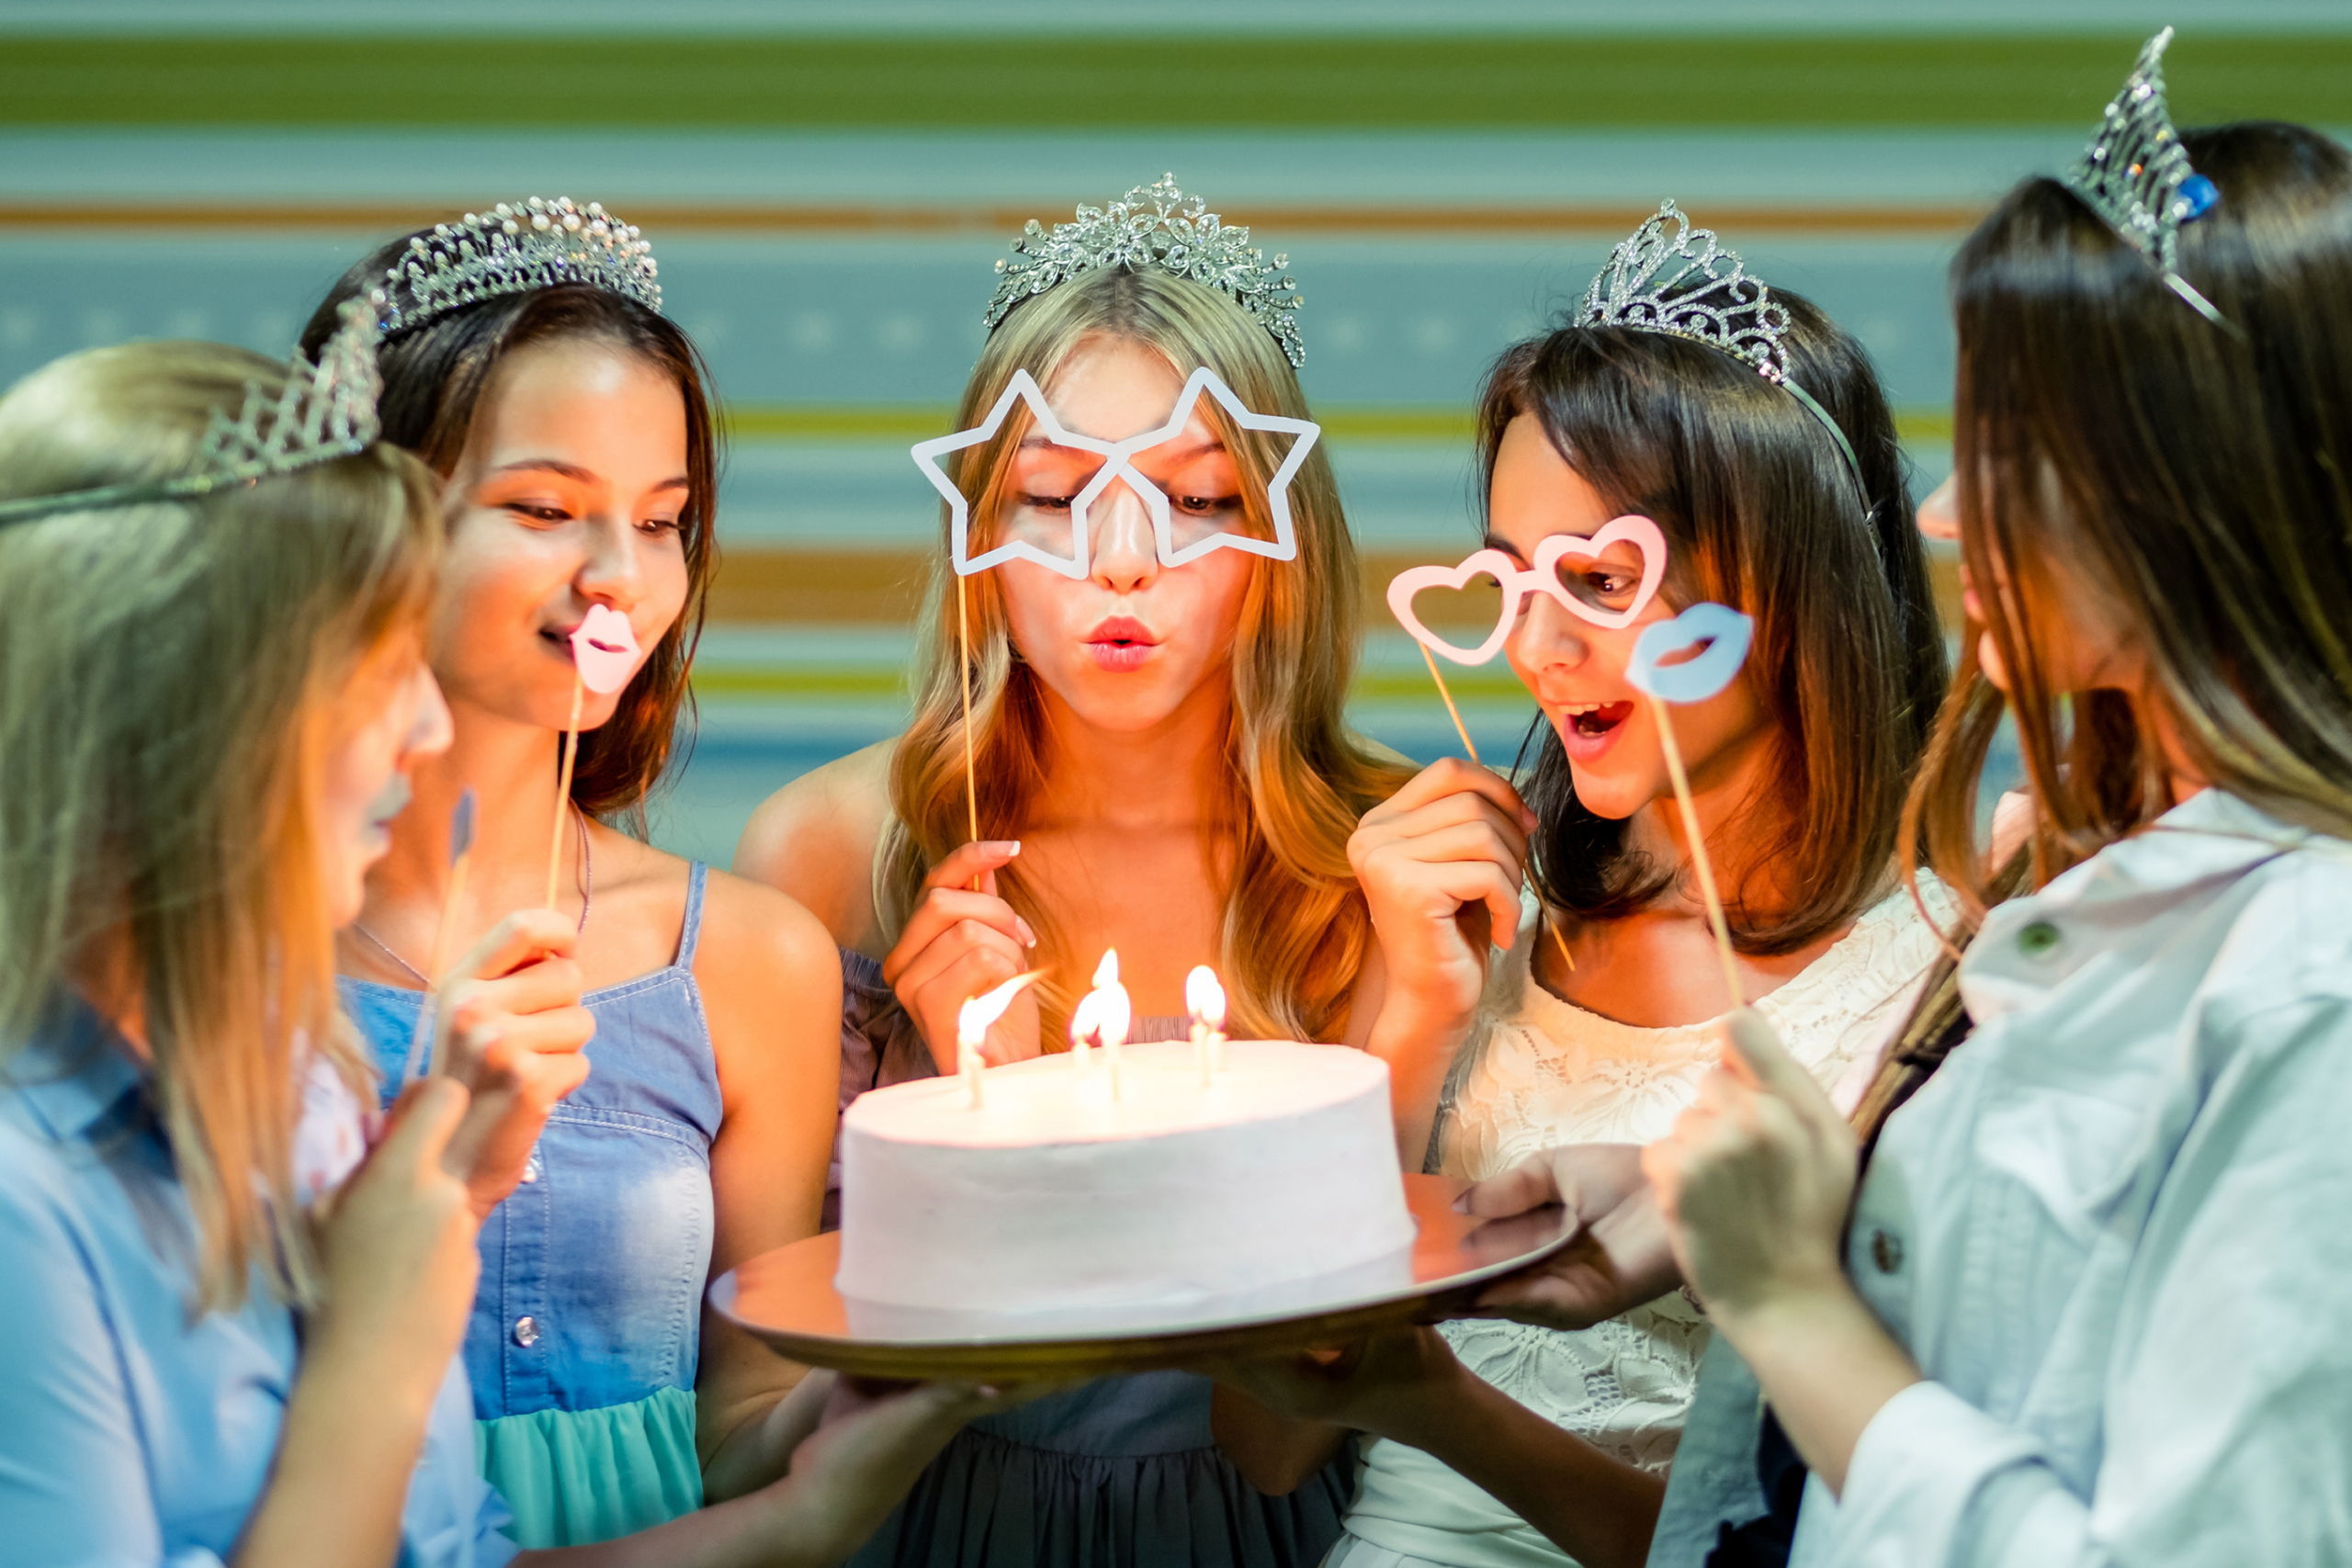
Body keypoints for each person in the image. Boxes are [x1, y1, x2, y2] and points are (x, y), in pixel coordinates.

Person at [0, 325, 1030, 1568]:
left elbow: (461, 1551)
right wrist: (389, 1315)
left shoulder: (315, 1094)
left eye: (664, 520)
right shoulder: (53, 1196)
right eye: (544, 505)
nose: (426, 723)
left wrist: (810, 1500)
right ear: (191, 714)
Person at [1637, 91, 2352, 1567]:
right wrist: (1707, 1218)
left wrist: (1785, 1297)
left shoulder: (2312, 989)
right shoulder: (2111, 872)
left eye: (2007, 454)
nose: (1950, 517)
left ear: (2189, 491)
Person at [1206, 205, 1954, 1568]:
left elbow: (1819, 1536)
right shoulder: (1469, 919)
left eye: (1602, 580)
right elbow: (1266, 1444)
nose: (1539, 649)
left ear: (1785, 581)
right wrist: (1414, 1016)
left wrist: (1446, 1411)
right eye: (1507, 580)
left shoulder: (1942, 983)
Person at [737, 177, 1414, 1567]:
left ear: (1284, 534)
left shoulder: (1384, 863)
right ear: (975, 529)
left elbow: (1362, 1374)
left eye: (1199, 498)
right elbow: (752, 1396)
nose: (1122, 564)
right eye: (1053, 499)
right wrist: (982, 1113)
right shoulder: (831, 855)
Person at [305, 198, 844, 1546]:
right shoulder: (228, 949)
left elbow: (743, 1423)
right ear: (368, 512)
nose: (621, 578)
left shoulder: (752, 961)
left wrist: (912, 1381)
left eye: (661, 522)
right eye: (546, 508)